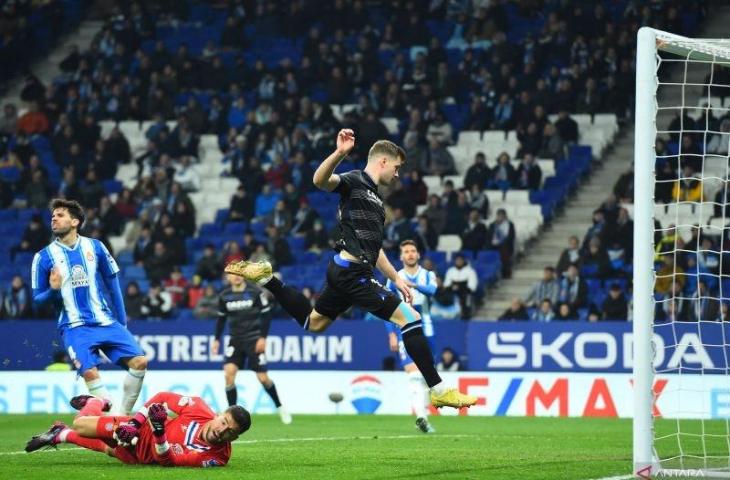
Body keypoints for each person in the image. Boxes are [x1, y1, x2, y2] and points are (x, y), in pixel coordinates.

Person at [225, 130, 476, 409]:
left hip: (346, 271)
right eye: (396, 167)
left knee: (314, 323)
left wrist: (396, 279)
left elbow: (375, 249)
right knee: (410, 317)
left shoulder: (378, 203)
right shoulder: (354, 181)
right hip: (352, 274)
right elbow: (319, 180)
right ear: (382, 161)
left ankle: (269, 279)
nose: (396, 175)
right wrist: (340, 154)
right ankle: (438, 388)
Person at [31, 199, 148, 414]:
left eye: (60, 215)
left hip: (105, 321)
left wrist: (121, 322)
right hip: (74, 326)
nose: (54, 219)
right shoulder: (43, 257)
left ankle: (121, 416)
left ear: (75, 221)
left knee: (140, 362)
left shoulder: (95, 247)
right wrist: (53, 290)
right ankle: (115, 422)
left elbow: (113, 284)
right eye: (53, 216)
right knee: (90, 373)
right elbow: (37, 301)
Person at [25, 391, 250, 468]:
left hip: (145, 457)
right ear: (219, 414)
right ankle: (95, 403)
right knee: (82, 425)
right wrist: (135, 424)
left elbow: (168, 461)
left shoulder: (216, 458)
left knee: (108, 448)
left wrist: (160, 432)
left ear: (236, 437)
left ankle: (60, 434)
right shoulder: (198, 407)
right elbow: (161, 397)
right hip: (140, 433)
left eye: (230, 431)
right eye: (224, 422)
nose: (222, 431)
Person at [212, 273, 292, 424]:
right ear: (228, 277)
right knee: (229, 375)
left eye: (238, 273)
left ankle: (280, 406)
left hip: (254, 339)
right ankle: (231, 415)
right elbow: (221, 319)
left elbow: (266, 315)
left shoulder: (255, 292)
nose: (236, 277)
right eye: (232, 274)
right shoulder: (224, 295)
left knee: (263, 378)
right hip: (235, 340)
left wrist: (262, 337)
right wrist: (216, 339)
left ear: (243, 276)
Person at [384, 240, 437, 433]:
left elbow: (433, 291)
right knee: (414, 375)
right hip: (404, 329)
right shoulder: (393, 277)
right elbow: (385, 308)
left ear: (418, 254)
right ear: (401, 257)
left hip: (427, 330)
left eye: (413, 251)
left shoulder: (428, 275)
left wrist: (411, 284)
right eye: (406, 251)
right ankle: (421, 417)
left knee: (426, 375)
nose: (410, 254)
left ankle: (424, 417)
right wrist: (390, 334)